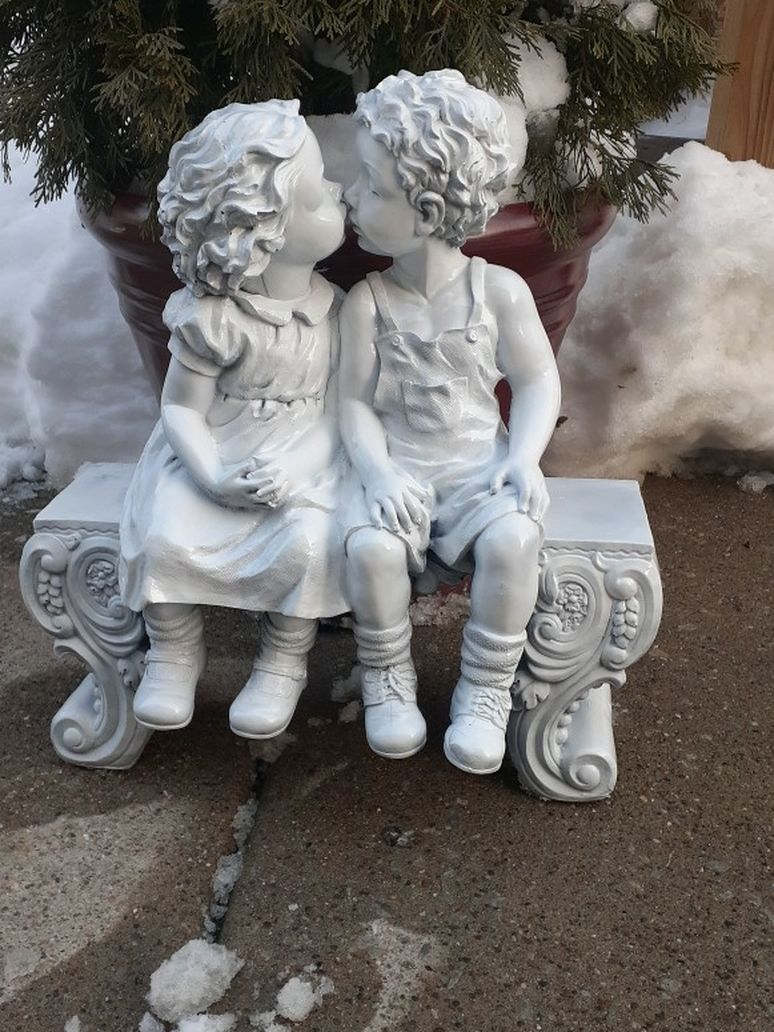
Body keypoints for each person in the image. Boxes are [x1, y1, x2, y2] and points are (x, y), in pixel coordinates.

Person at [339, 70, 562, 775]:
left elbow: (536, 381)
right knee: (371, 551)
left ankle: (485, 689)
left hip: (475, 467)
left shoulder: (497, 291)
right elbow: (350, 402)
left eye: (371, 186)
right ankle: (387, 678)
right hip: (398, 471)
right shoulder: (367, 302)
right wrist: (375, 473)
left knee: (515, 539)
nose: (352, 195)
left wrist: (521, 460)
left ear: (430, 205)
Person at [120, 100, 349, 739]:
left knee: (306, 543)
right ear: (262, 231)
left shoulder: (338, 313)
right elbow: (180, 409)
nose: (336, 189)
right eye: (315, 191)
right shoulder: (212, 319)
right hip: (215, 453)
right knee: (166, 531)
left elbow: (339, 415)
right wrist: (213, 475)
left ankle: (282, 660)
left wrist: (298, 465)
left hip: (302, 456)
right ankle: (173, 649)